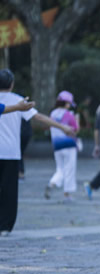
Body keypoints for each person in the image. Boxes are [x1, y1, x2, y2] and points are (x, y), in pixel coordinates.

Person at [0, 69, 75, 236]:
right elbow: (39, 118)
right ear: (11, 84)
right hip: (11, 152)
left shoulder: (18, 102)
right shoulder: (18, 101)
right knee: (9, 191)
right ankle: (5, 226)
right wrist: (63, 127)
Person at [45, 91, 80, 202]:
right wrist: (77, 120)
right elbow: (75, 130)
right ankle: (67, 194)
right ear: (66, 103)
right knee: (69, 169)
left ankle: (52, 183)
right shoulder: (69, 114)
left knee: (60, 168)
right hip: (69, 144)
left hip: (56, 144)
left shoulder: (53, 113)